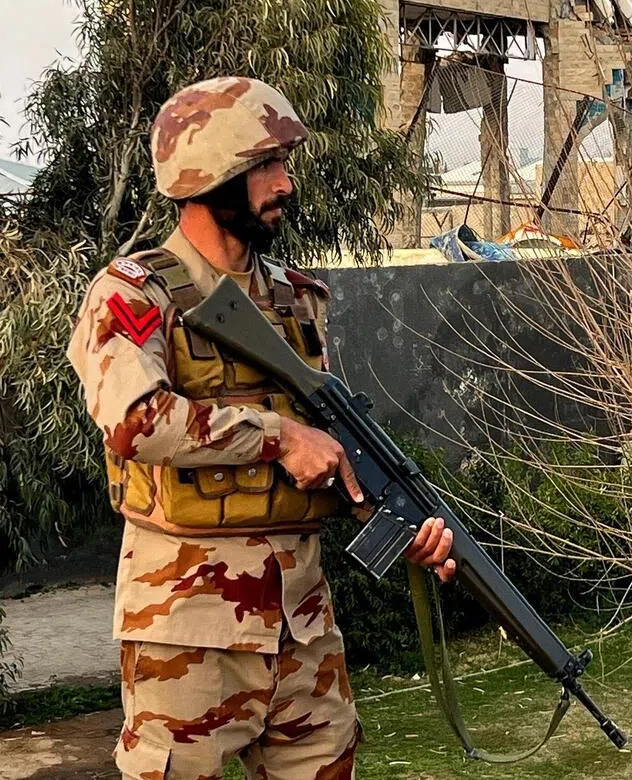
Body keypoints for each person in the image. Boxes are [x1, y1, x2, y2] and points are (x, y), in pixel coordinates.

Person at [68, 76, 454, 780]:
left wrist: (401, 520)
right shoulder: (131, 294)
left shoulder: (296, 298)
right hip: (188, 634)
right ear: (211, 177)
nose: (286, 184)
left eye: (283, 165)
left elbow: (328, 446)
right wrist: (276, 435)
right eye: (266, 167)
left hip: (303, 629)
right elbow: (135, 422)